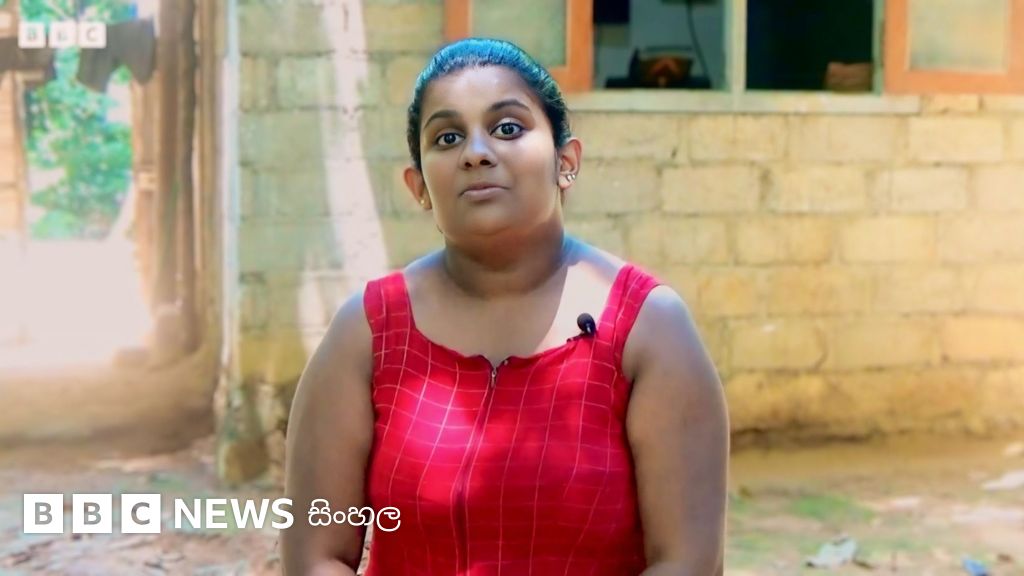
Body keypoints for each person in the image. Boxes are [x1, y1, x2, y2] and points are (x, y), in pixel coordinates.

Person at [281, 38, 729, 576]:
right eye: (447, 137)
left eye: (508, 128)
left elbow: (686, 562)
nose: (476, 152)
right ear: (419, 186)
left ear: (566, 161)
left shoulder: (649, 330)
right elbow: (315, 557)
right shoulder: (367, 333)